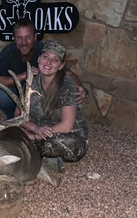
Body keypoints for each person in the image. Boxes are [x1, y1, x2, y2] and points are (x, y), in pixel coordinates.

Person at [0, 18, 89, 119]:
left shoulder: (45, 49)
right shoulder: (8, 53)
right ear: (13, 38)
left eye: (28, 37)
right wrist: (25, 75)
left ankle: (51, 122)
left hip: (42, 97)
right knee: (2, 95)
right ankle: (15, 122)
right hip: (19, 97)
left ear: (35, 37)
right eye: (19, 38)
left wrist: (82, 90)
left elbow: (68, 73)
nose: (24, 42)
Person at [15, 40, 88, 173]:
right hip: (39, 131)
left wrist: (34, 136)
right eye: (45, 57)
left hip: (66, 137)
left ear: (61, 66)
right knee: (8, 131)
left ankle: (34, 155)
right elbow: (18, 115)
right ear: (39, 59)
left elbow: (66, 126)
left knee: (52, 143)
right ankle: (42, 157)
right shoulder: (31, 83)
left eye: (55, 60)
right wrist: (35, 128)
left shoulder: (67, 85)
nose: (48, 62)